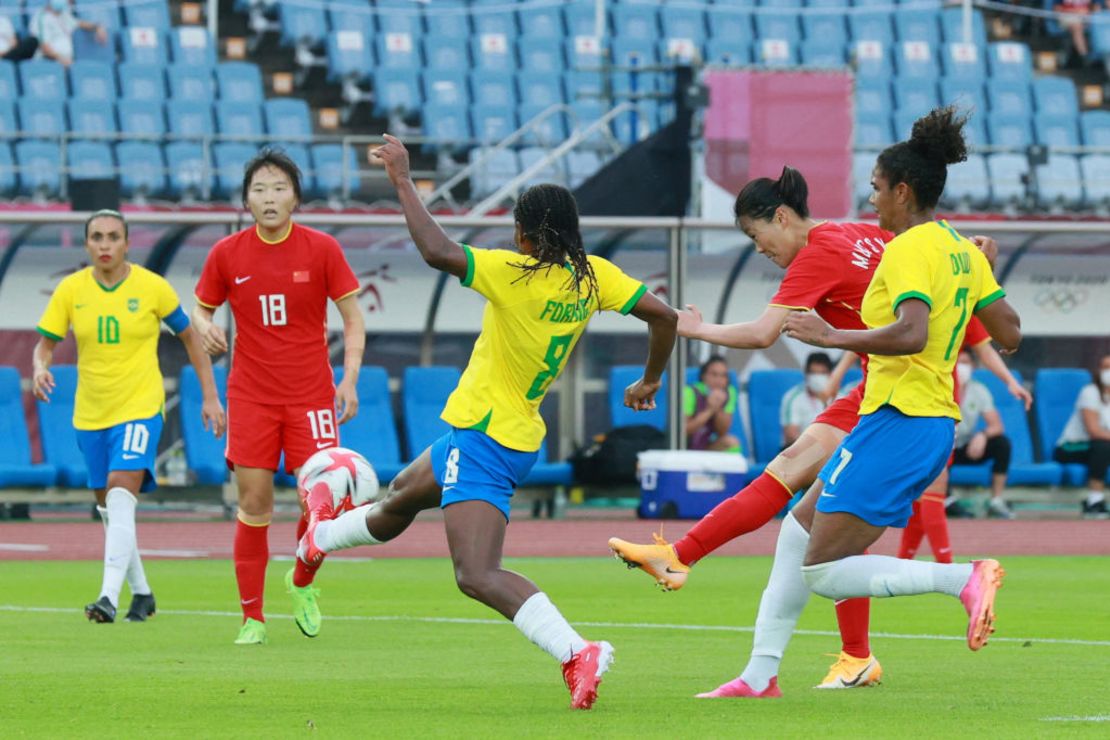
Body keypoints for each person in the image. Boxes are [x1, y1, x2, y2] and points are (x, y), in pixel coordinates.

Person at [296, 134, 677, 710]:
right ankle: (318, 538)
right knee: (400, 495)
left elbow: (437, 251)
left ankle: (577, 650)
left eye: (515, 228)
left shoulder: (513, 271)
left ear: (526, 234)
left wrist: (402, 178)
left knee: (476, 574)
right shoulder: (593, 277)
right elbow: (664, 317)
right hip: (502, 431)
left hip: (485, 438)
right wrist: (650, 380)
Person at [737, 106, 1022, 700]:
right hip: (907, 421)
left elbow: (911, 333)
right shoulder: (959, 249)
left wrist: (830, 335)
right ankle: (758, 676)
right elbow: (1012, 332)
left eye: (874, 188)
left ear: (902, 189)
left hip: (902, 421)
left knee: (821, 570)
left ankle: (962, 578)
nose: (870, 201)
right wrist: (980, 274)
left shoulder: (907, 249)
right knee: (798, 529)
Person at [609, 164, 898, 692]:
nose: (758, 248)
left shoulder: (819, 252)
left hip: (894, 402)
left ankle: (961, 582)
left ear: (782, 216)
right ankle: (836, 659)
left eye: (755, 234)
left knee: (818, 519)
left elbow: (765, 333)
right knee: (812, 515)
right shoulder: (860, 232)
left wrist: (696, 329)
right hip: (873, 388)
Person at [191, 149, 366, 645]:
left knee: (321, 506)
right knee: (255, 502)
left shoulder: (322, 249)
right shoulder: (226, 253)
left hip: (311, 396)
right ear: (246, 199)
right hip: (251, 396)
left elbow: (353, 318)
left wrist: (348, 378)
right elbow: (200, 311)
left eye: (279, 188)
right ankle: (252, 618)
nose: (269, 198)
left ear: (295, 197)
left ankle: (302, 582)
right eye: (259, 189)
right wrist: (206, 327)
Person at [32, 209, 226, 623]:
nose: (105, 245)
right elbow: (45, 343)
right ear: (87, 245)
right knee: (110, 508)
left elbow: (191, 339)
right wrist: (39, 366)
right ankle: (142, 592)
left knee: (121, 492)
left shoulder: (152, 287)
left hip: (140, 406)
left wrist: (210, 397)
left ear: (127, 243)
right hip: (91, 413)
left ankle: (108, 598)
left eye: (113, 237)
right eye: (97, 237)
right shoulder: (71, 290)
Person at [951, 348, 1015, 518]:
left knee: (1002, 443)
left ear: (973, 367)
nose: (961, 368)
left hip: (964, 447)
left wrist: (982, 435)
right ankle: (945, 499)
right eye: (958, 363)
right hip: (943, 447)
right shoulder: (939, 387)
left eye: (965, 363)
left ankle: (996, 500)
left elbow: (997, 426)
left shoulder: (978, 390)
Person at [1053, 354, 1110, 518]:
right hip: (1070, 447)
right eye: (1106, 368)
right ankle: (1094, 501)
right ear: (1099, 372)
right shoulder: (1090, 392)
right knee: (1102, 446)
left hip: (1099, 448)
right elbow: (1094, 431)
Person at [684, 355, 741, 452]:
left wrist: (718, 408)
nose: (719, 380)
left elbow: (722, 432)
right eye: (714, 374)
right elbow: (684, 430)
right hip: (685, 446)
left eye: (723, 376)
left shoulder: (730, 392)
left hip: (707, 445)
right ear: (704, 376)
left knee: (732, 442)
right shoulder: (690, 392)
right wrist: (710, 410)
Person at [30, 0, 107, 67]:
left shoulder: (64, 15)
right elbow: (44, 47)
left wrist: (98, 27)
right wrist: (60, 59)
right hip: (48, 62)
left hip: (65, 62)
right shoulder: (41, 17)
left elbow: (80, 23)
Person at [780, 352, 833, 447]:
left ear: (830, 374)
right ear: (806, 374)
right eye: (813, 373)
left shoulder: (841, 397)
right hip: (799, 451)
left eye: (822, 373)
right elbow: (791, 436)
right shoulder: (793, 397)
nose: (817, 378)